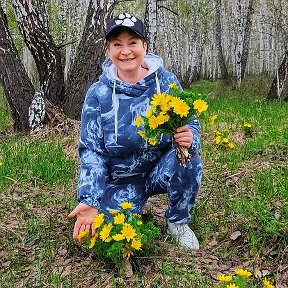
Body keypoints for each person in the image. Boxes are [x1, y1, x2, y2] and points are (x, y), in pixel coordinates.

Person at [68, 13, 203, 250]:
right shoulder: (98, 94)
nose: (125, 51)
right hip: (119, 180)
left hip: (159, 169)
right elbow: (92, 152)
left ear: (145, 46)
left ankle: (178, 222)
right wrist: (89, 199)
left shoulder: (167, 83)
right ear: (109, 50)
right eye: (117, 44)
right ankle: (128, 204)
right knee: (107, 236)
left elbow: (190, 122)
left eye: (132, 43)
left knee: (188, 156)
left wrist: (190, 136)